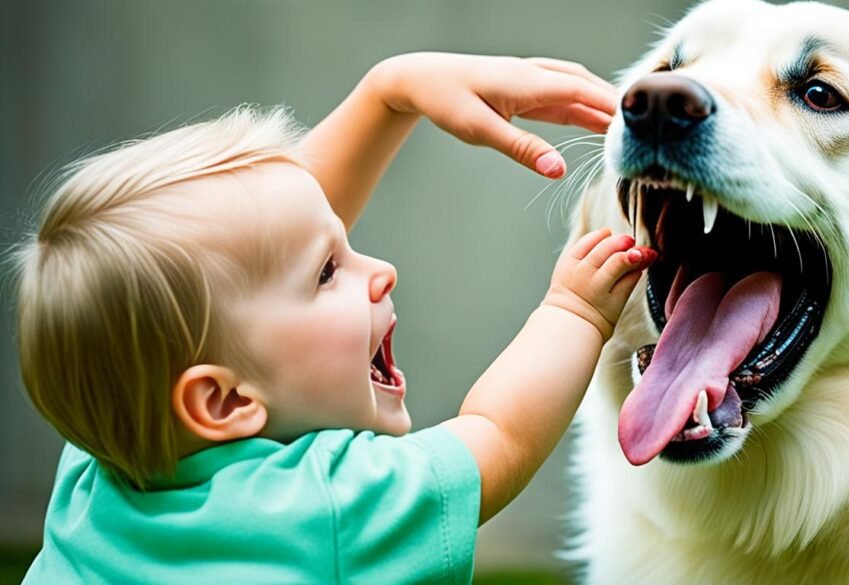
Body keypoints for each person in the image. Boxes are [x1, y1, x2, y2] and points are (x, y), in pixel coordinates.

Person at [15, 52, 656, 583]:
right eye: (328, 272)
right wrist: (573, 309)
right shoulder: (324, 507)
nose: (381, 271)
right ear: (219, 400)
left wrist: (390, 95)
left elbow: (263, 253)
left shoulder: (96, 472)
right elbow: (501, 435)